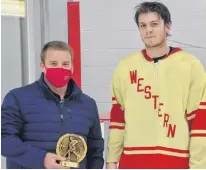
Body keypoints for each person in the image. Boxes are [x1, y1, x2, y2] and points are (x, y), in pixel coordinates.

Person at [106, 1, 206, 169]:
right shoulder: (124, 68)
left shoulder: (190, 65)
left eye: (154, 24)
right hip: (132, 163)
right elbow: (118, 119)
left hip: (176, 163)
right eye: (143, 25)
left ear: (167, 27)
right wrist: (111, 160)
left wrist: (199, 166)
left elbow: (199, 123)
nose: (148, 30)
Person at [1, 41, 104, 169]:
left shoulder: (88, 104)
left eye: (65, 64)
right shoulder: (17, 98)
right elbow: (4, 140)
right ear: (43, 67)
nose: (60, 68)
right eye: (53, 64)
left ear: (72, 67)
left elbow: (96, 150)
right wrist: (41, 159)